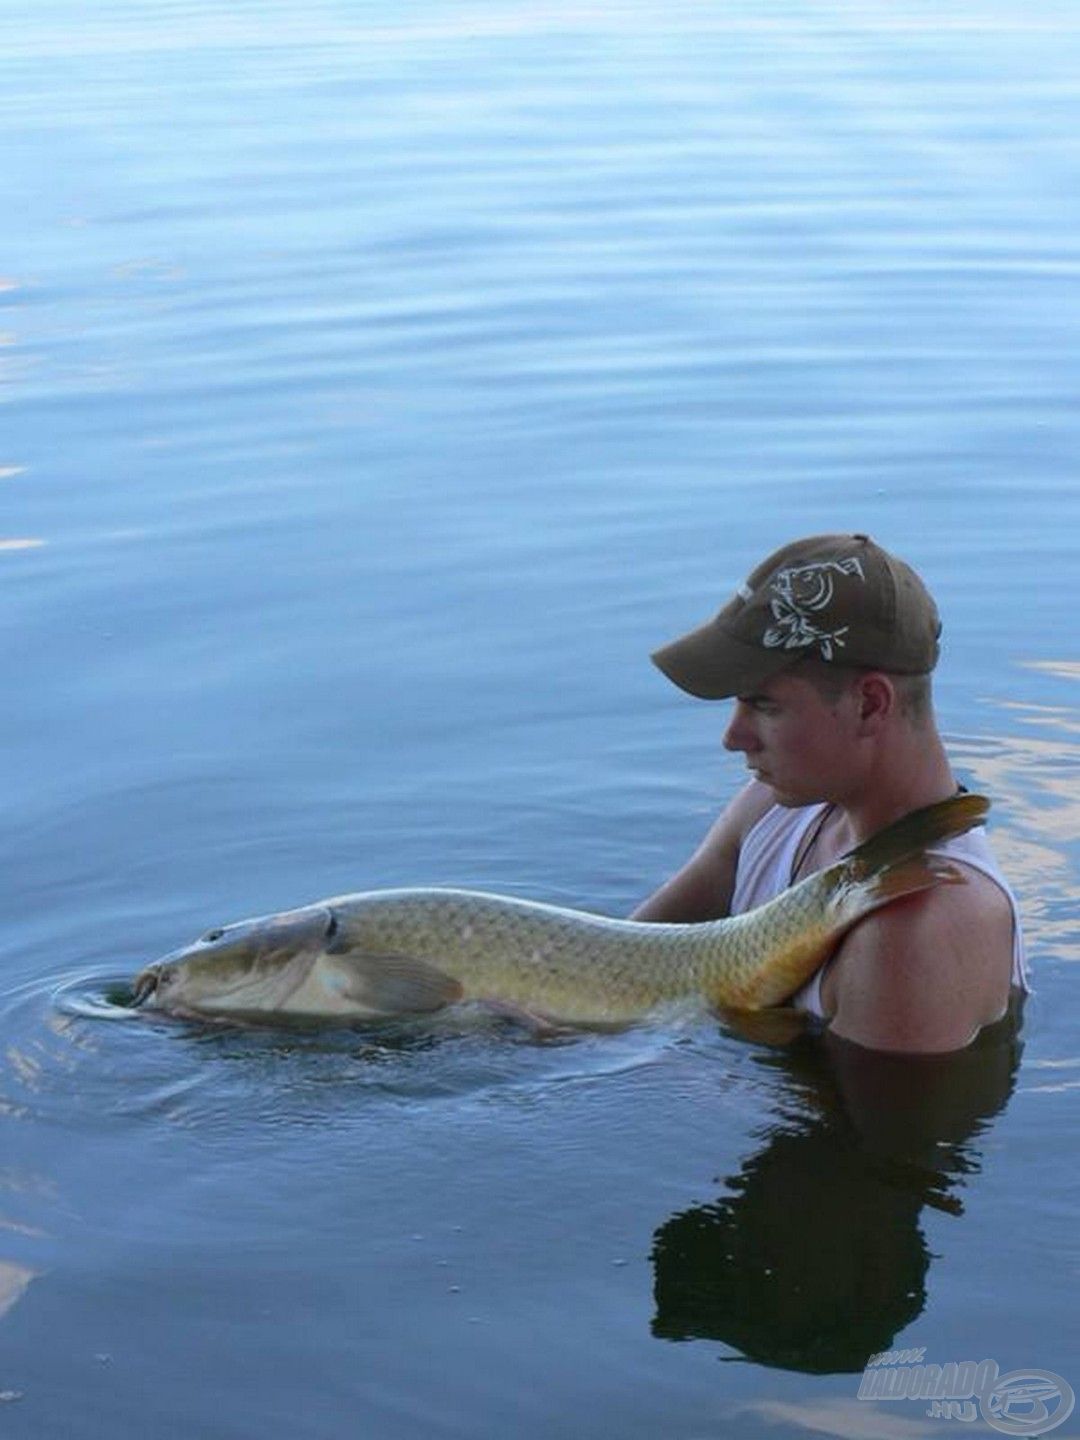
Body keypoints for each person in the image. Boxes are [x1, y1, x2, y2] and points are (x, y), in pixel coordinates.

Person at [633, 533, 1028, 1054]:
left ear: (869, 704)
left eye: (764, 706)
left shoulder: (915, 935)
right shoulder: (772, 810)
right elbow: (627, 960)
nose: (733, 737)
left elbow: (875, 1138)